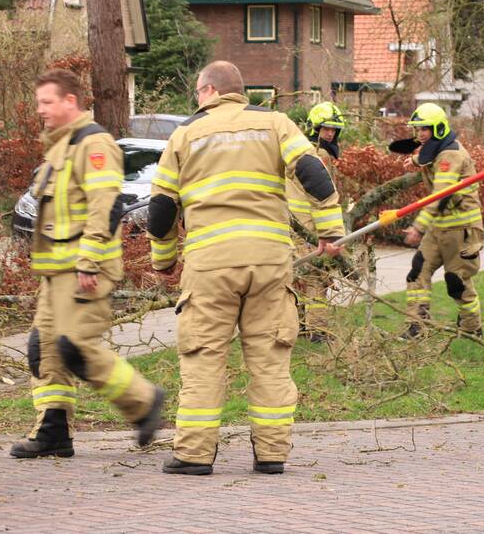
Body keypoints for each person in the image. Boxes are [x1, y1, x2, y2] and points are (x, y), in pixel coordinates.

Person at [148, 61, 344, 476]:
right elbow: (313, 173)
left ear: (209, 91)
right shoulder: (275, 124)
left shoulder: (184, 135)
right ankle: (272, 454)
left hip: (209, 267)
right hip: (269, 262)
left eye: (198, 92)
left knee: (203, 358)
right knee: (270, 359)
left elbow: (162, 208)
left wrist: (163, 259)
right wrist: (329, 232)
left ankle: (194, 455)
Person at [10, 69, 164, 460]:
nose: (40, 110)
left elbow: (104, 205)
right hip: (55, 274)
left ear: (70, 102)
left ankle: (143, 402)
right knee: (43, 350)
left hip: (82, 270)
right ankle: (53, 430)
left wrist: (90, 260)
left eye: (47, 102)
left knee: (74, 348)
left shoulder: (92, 144)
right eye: (39, 102)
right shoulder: (60, 148)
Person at [400, 103, 484, 339]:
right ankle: (417, 326)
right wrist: (416, 161)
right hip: (439, 228)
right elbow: (429, 158)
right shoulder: (438, 149)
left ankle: (471, 328)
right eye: (417, 130)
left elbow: (440, 196)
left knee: (456, 281)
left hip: (461, 229)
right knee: (417, 272)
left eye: (425, 129)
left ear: (437, 129)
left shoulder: (451, 155)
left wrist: (418, 227)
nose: (420, 135)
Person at [285, 102, 348, 341]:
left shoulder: (298, 151)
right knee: (316, 277)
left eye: (333, 129)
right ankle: (318, 330)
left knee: (298, 275)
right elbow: (324, 194)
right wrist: (328, 229)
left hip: (294, 223)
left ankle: (299, 324)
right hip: (310, 224)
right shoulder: (320, 155)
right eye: (325, 128)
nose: (330, 133)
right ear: (315, 127)